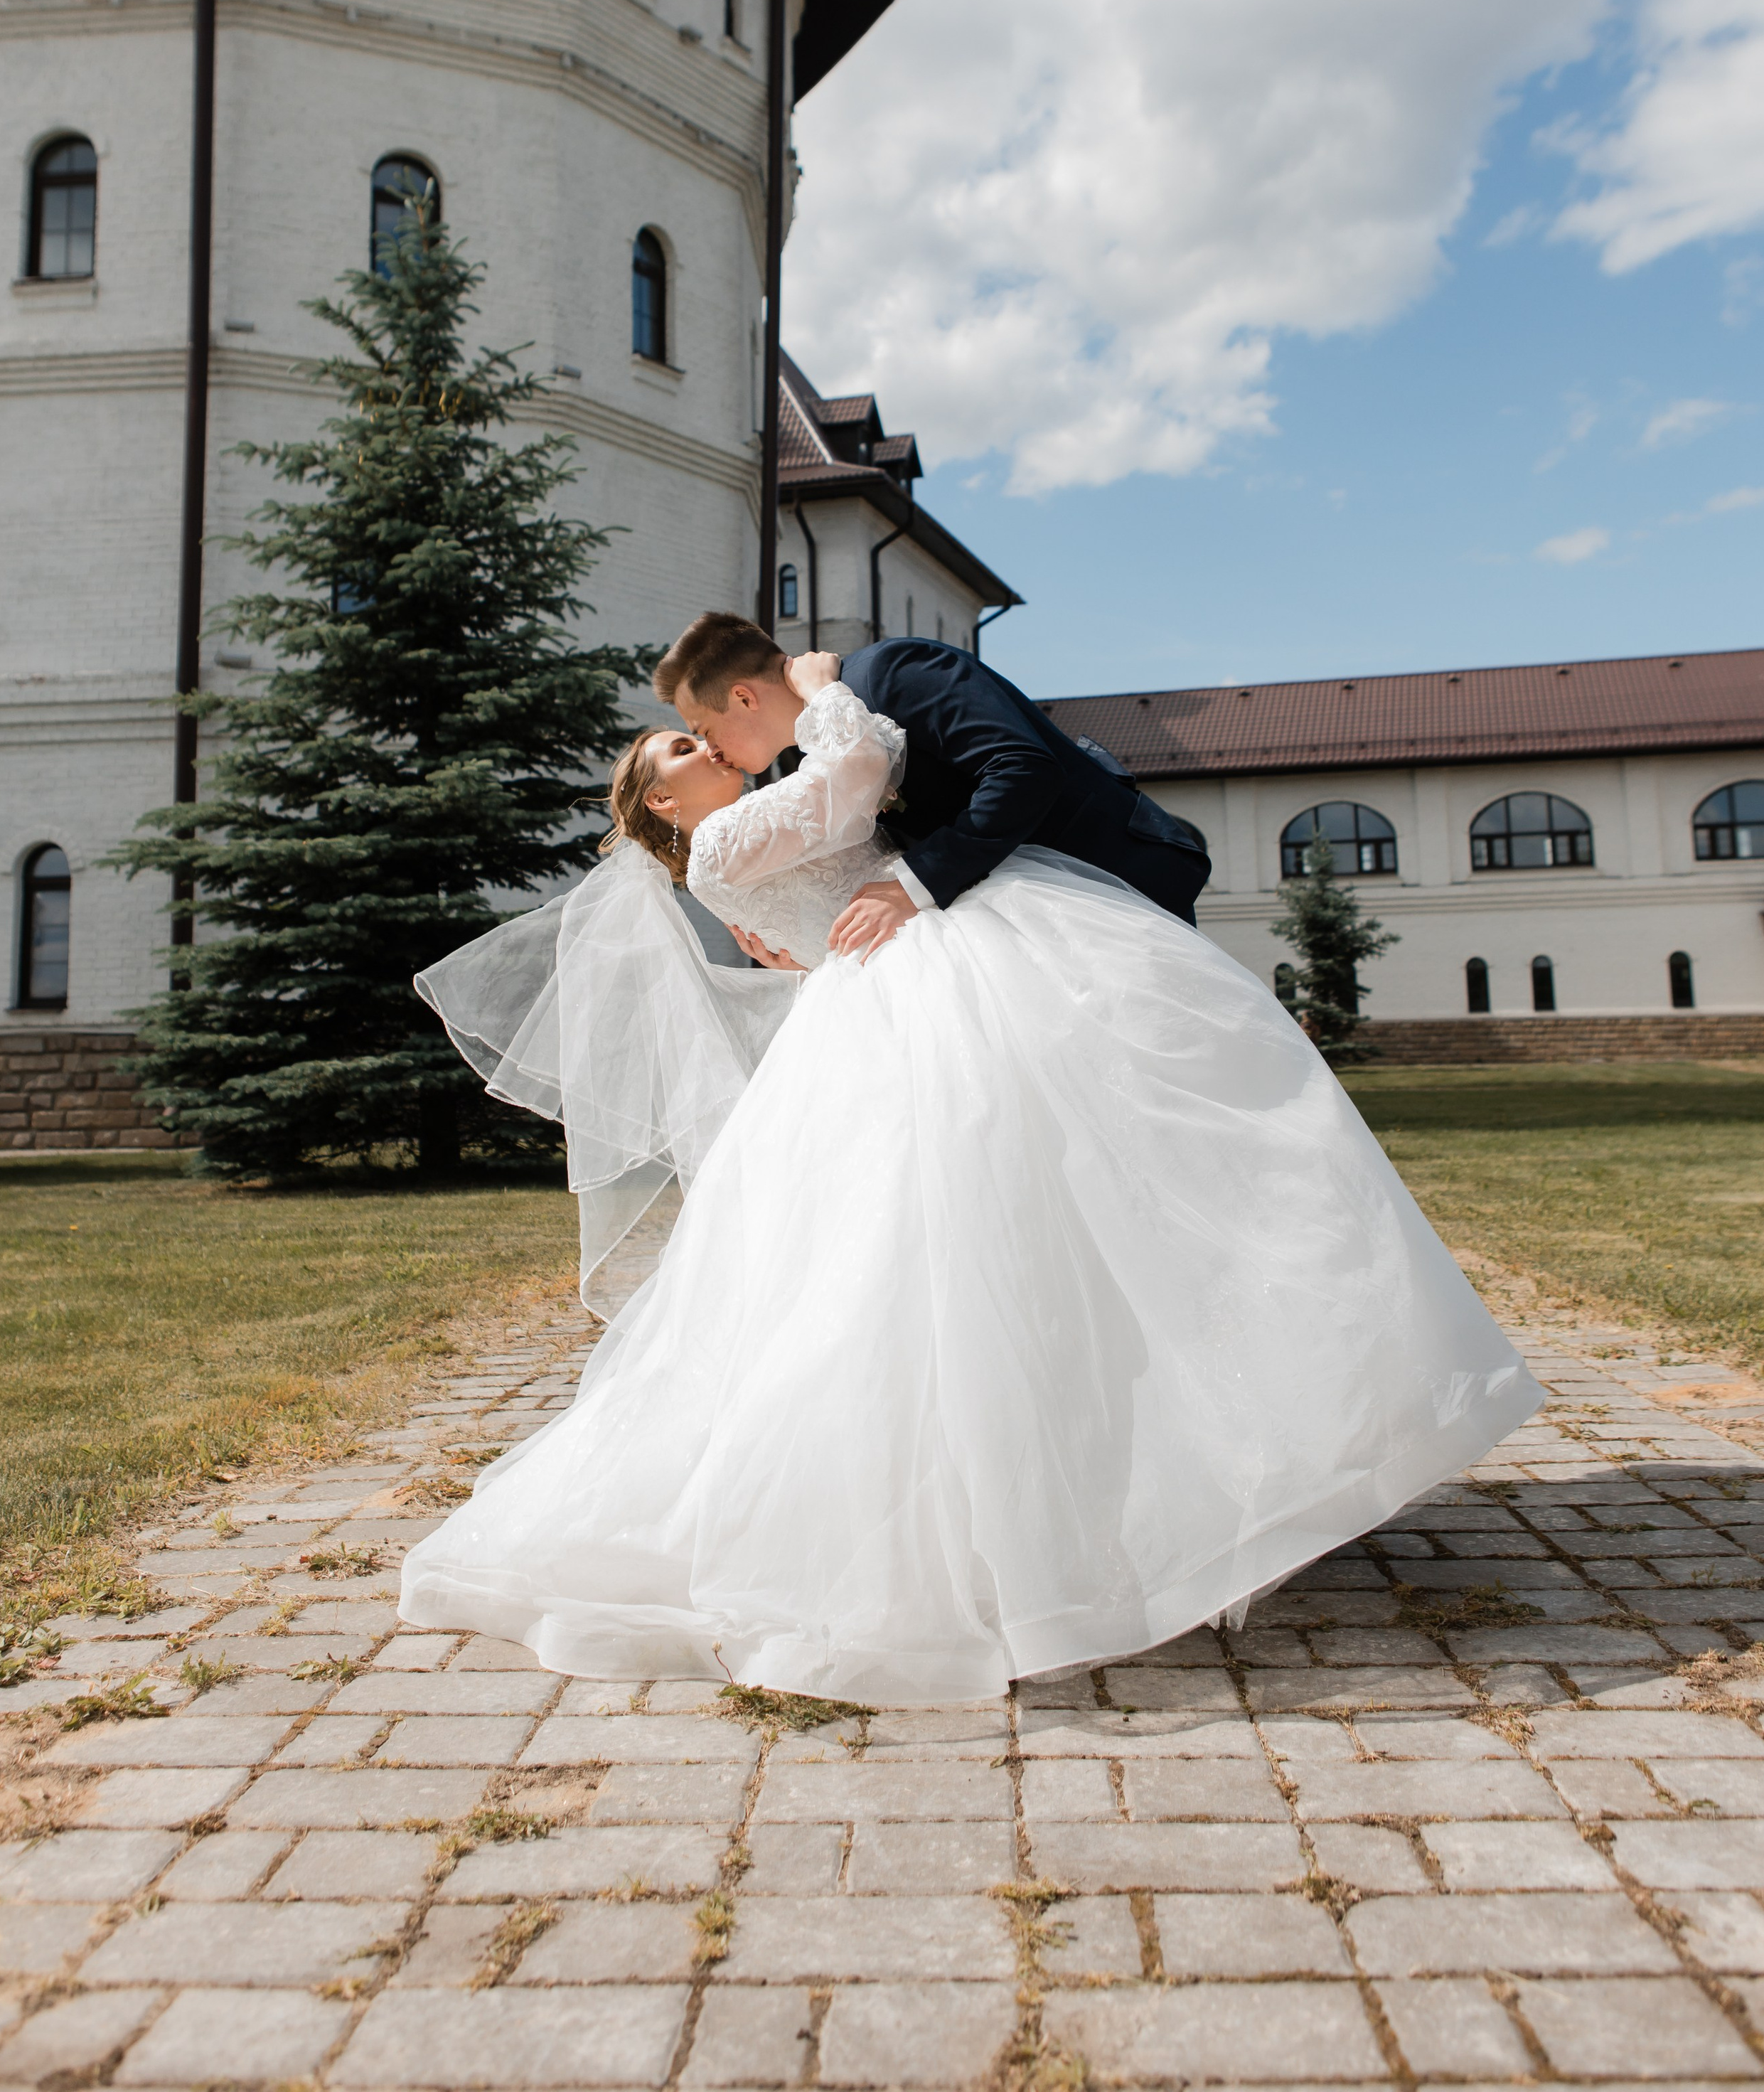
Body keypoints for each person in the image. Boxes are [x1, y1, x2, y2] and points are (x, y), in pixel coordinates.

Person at [400, 664, 1541, 1706]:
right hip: (915, 994)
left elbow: (815, 917)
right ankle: (1001, 1537)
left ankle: (1115, 1495)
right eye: (684, 750)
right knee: (949, 1246)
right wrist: (820, 687)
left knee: (1020, 1221)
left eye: (700, 733)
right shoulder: (723, 841)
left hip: (894, 992)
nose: (708, 747)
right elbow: (854, 772)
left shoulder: (736, 842)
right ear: (662, 801)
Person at [656, 612, 1209, 966]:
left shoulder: (890, 673)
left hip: (1110, 888)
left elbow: (1022, 768)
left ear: (743, 697)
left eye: (705, 729)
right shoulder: (814, 757)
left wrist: (911, 886)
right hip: (1023, 946)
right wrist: (810, 952)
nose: (712, 749)